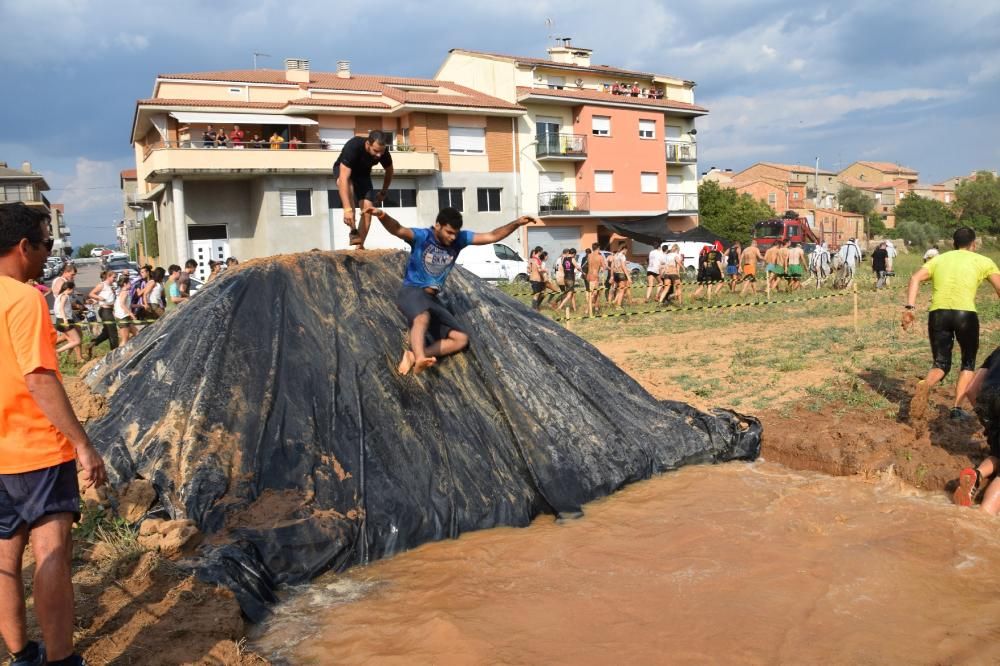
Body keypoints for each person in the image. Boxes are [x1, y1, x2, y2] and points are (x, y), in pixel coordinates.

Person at [0, 202, 107, 666]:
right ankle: (60, 660)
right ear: (23, 246)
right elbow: (40, 378)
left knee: (5, 559)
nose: (48, 254)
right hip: (37, 449)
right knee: (51, 553)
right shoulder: (24, 299)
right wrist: (82, 443)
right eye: (45, 244)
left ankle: (22, 655)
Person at [365, 205, 537, 374]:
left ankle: (413, 355)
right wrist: (381, 215)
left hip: (432, 299)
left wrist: (517, 223)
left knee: (461, 339)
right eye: (449, 232)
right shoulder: (422, 236)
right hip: (412, 291)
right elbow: (398, 229)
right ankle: (420, 358)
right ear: (437, 226)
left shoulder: (460, 239)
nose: (453, 237)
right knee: (422, 317)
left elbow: (491, 236)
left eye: (456, 233)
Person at [903, 227, 1000, 422]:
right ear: (973, 244)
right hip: (966, 315)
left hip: (938, 314)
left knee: (941, 363)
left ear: (953, 243)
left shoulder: (938, 259)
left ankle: (927, 384)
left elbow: (915, 278)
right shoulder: (983, 261)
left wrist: (909, 308)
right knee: (968, 362)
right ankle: (956, 408)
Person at [952, 347, 1000, 511]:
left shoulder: (996, 352)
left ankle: (977, 474)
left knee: (998, 452)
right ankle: (985, 514)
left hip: (988, 400)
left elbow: (972, 389)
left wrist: (988, 421)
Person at [334, 130, 394, 248]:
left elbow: (390, 171)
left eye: (381, 152)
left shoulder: (383, 152)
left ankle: (359, 246)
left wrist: (383, 192)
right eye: (376, 151)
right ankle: (353, 231)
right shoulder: (353, 146)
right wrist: (347, 209)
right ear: (368, 144)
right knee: (349, 187)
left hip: (363, 175)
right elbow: (344, 177)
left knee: (368, 210)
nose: (379, 155)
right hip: (344, 172)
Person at [85, 270, 118, 356]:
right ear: (108, 277)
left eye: (115, 277)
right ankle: (115, 353)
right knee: (113, 333)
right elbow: (91, 294)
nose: (115, 279)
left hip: (109, 310)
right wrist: (100, 298)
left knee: (107, 332)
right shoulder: (102, 285)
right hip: (105, 310)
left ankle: (92, 344)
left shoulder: (112, 286)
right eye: (114, 277)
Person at [53, 281, 83, 363]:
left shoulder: (59, 296)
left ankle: (65, 359)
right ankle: (56, 352)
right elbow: (61, 308)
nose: (73, 291)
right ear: (69, 289)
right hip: (64, 320)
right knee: (77, 341)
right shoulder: (65, 296)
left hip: (59, 320)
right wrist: (65, 320)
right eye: (73, 289)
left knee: (71, 342)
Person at [113, 275, 138, 345]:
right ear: (125, 284)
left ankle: (129, 349)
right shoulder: (124, 293)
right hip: (122, 317)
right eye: (129, 283)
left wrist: (141, 305)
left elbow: (129, 305)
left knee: (136, 333)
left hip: (124, 316)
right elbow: (122, 304)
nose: (131, 284)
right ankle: (119, 354)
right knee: (125, 339)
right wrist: (131, 314)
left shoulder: (125, 292)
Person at [586, 242, 607, 313]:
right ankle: (587, 309)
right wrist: (602, 267)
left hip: (588, 275)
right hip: (595, 277)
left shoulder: (589, 255)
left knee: (597, 293)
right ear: (598, 248)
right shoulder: (600, 256)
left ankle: (597, 308)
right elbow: (604, 267)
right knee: (593, 294)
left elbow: (589, 265)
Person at [610, 242, 632, 308]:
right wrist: (628, 277)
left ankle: (615, 302)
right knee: (622, 291)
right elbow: (623, 267)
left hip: (616, 274)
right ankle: (618, 306)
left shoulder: (615, 255)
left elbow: (612, 266)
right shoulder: (622, 256)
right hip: (621, 274)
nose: (626, 252)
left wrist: (612, 276)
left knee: (619, 290)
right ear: (624, 249)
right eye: (626, 250)